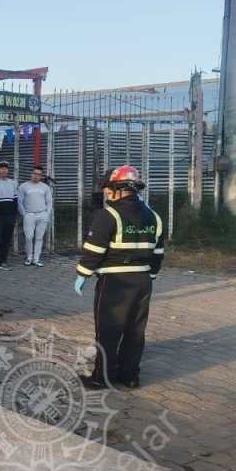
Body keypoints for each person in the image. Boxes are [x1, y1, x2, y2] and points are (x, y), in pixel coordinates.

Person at [74, 165, 164, 390]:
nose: (105, 193)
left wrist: (82, 274)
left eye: (107, 189)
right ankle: (130, 376)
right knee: (135, 330)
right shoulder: (153, 216)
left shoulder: (108, 215)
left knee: (108, 330)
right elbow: (158, 252)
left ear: (118, 188)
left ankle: (102, 378)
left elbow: (93, 251)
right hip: (143, 282)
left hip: (115, 283)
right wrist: (150, 275)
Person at [18, 164, 52, 267]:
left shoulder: (45, 187)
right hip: (29, 215)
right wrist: (24, 214)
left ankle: (36, 259)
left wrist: (47, 214)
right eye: (34, 174)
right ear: (31, 174)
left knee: (39, 237)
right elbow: (19, 201)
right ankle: (29, 257)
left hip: (42, 215)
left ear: (41, 176)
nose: (36, 176)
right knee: (29, 237)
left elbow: (49, 202)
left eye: (39, 175)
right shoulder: (23, 186)